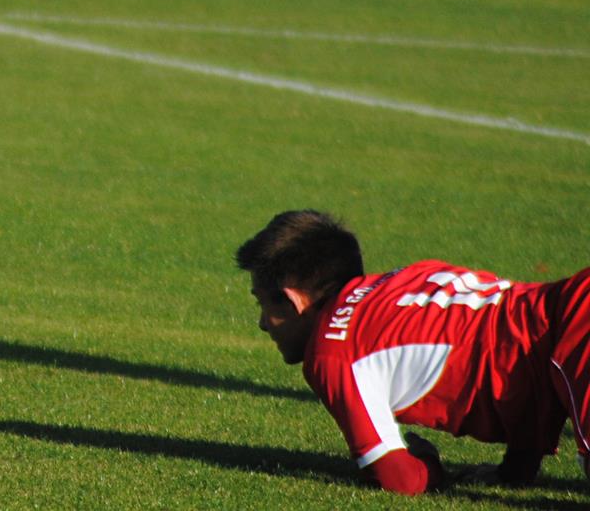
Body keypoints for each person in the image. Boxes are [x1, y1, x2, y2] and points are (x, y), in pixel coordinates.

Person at [235, 209, 590, 494]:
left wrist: (428, 464)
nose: (263, 324)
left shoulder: (332, 354)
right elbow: (512, 351)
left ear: (295, 301)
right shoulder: (400, 279)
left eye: (264, 305)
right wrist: (515, 472)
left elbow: (398, 479)